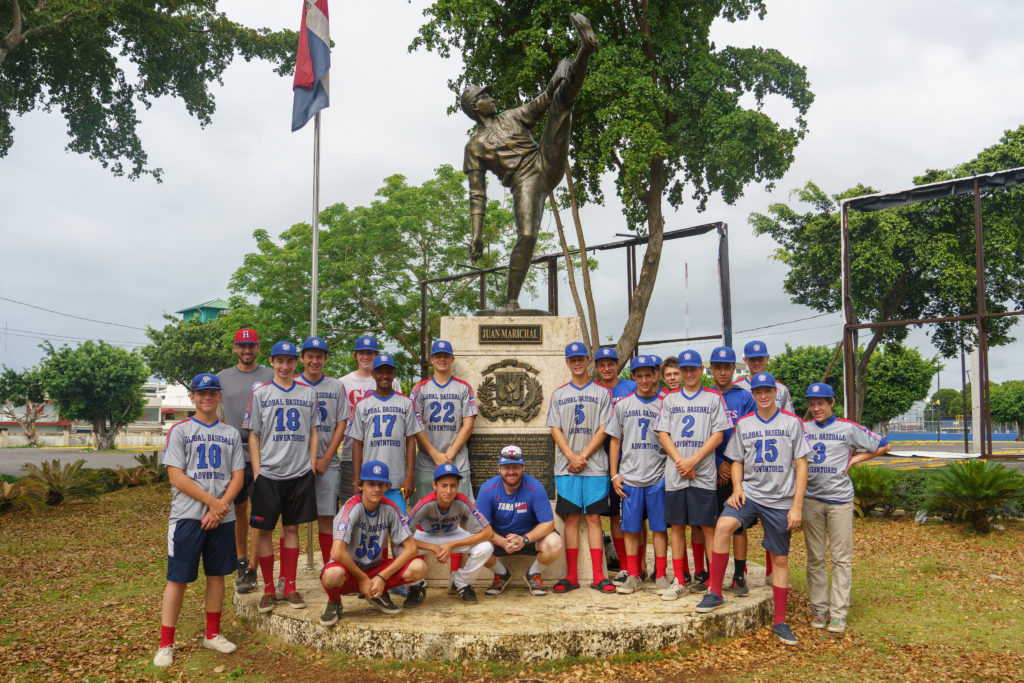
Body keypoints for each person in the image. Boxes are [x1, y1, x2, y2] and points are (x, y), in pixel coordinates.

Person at [462, 13, 597, 310]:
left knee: (562, 101)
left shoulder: (511, 116)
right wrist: (476, 234)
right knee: (526, 234)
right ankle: (511, 301)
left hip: (544, 159)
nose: (491, 97)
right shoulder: (474, 147)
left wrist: (556, 80)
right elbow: (477, 194)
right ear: (475, 107)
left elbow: (543, 101)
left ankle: (585, 50)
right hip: (524, 181)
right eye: (485, 96)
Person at [696, 372, 809, 647]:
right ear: (753, 394)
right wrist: (737, 489)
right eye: (758, 391)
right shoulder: (745, 423)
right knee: (723, 526)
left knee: (780, 560)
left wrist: (797, 506)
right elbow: (736, 461)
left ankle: (780, 621)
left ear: (775, 392)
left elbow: (802, 464)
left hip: (781, 500)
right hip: (751, 494)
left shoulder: (792, 422)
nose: (763, 395)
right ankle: (715, 591)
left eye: (767, 390)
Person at [155, 374, 245, 667]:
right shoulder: (180, 430)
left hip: (222, 517)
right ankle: (166, 643)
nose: (207, 397)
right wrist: (212, 503)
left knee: (217, 575)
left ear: (220, 397)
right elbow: (176, 475)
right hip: (188, 517)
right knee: (177, 578)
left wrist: (221, 508)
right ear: (192, 397)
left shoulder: (230, 433)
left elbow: (238, 475)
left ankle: (212, 634)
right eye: (201, 393)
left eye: (212, 392)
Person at [802, 382, 890, 633]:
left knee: (841, 558)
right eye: (811, 403)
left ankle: (838, 612)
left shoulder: (847, 428)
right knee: (815, 558)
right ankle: (820, 609)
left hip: (839, 501)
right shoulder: (803, 428)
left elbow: (884, 444)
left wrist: (855, 459)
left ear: (831, 403)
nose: (815, 408)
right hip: (811, 500)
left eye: (820, 403)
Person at [244, 341, 320, 614]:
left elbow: (313, 431)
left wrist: (311, 466)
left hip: (299, 473)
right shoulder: (261, 393)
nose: (285, 366)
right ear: (272, 362)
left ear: (296, 362)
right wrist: (257, 470)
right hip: (269, 473)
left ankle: (290, 586)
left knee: (291, 529)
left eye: (290, 361)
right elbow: (254, 434)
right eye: (280, 361)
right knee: (264, 530)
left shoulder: (308, 393)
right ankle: (267, 588)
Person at [656, 350, 730, 600]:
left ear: (701, 370)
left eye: (692, 369)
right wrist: (680, 461)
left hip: (703, 474)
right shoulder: (670, 399)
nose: (688, 374)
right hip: (676, 474)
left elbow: (718, 434)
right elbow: (663, 433)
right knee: (677, 527)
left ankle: (713, 581)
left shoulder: (713, 397)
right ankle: (678, 579)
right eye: (684, 369)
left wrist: (694, 460)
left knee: (707, 527)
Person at [318, 461, 428, 624]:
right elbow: (336, 552)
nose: (376, 489)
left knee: (419, 568)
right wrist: (363, 579)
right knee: (333, 575)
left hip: (374, 570)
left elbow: (411, 549)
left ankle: (379, 592)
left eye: (380, 484)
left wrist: (382, 577)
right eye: (371, 484)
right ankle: (334, 602)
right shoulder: (351, 508)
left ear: (386, 487)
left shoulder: (390, 508)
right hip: (349, 571)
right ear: (360, 486)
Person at [546, 342, 615, 593]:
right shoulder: (559, 394)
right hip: (566, 468)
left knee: (595, 518)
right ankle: (571, 575)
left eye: (580, 358)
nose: (576, 362)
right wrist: (570, 456)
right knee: (571, 519)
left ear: (588, 360)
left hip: (595, 466)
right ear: (567, 362)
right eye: (572, 359)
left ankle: (598, 576)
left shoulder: (602, 393)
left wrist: (582, 456)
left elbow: (605, 428)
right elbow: (555, 428)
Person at [606, 355, 669, 593]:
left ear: (655, 375)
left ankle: (661, 573)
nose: (644, 380)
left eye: (648, 375)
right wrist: (614, 474)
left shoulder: (665, 403)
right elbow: (615, 441)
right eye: (639, 375)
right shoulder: (622, 405)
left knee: (659, 528)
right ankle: (633, 574)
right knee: (630, 528)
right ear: (632, 377)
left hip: (657, 476)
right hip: (630, 477)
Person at [217, 328, 273, 594]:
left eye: (251, 346)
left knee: (259, 514)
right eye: (242, 346)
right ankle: (240, 562)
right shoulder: (222, 377)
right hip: (233, 452)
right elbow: (215, 415)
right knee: (238, 510)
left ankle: (252, 569)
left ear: (258, 348)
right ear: (235, 348)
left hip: (263, 452)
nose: (247, 350)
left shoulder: (271, 375)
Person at [734, 341, 792, 585]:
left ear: (767, 358)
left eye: (760, 357)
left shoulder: (780, 389)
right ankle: (740, 573)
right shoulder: (738, 387)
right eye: (751, 358)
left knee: (773, 523)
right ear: (745, 360)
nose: (756, 361)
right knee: (738, 523)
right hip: (742, 462)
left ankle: (771, 571)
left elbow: (790, 423)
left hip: (773, 467)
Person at [476, 445, 563, 597]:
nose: (511, 471)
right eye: (506, 467)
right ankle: (501, 574)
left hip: (529, 539)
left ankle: (534, 574)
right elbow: (481, 528)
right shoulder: (487, 489)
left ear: (523, 467)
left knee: (555, 543)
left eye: (515, 467)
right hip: (499, 540)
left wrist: (524, 539)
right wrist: (502, 542)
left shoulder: (535, 487)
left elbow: (548, 524)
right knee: (475, 544)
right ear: (499, 468)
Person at [404, 462, 494, 605]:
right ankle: (416, 586)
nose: (449, 490)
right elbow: (402, 537)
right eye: (444, 485)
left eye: (453, 485)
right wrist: (433, 547)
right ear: (434, 485)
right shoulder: (424, 503)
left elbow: (488, 532)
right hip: (427, 536)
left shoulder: (463, 501)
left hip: (453, 534)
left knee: (486, 547)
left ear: (458, 486)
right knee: (399, 548)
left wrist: (452, 545)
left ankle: (462, 582)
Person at [708, 346, 757, 595]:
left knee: (737, 525)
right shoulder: (705, 396)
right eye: (718, 367)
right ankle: (710, 574)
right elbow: (700, 436)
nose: (723, 371)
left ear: (734, 368)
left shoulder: (744, 397)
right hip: (710, 468)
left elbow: (749, 431)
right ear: (711, 369)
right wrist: (717, 463)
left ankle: (739, 575)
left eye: (727, 367)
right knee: (708, 524)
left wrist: (732, 463)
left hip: (737, 469)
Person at [297, 337, 350, 566]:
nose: (314, 361)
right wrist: (307, 461)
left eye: (319, 356)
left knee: (327, 518)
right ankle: (286, 578)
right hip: (296, 462)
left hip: (328, 461)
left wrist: (326, 458)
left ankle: (330, 567)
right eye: (310, 356)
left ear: (326, 359)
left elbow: (341, 423)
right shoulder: (293, 384)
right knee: (291, 520)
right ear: (302, 358)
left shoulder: (336, 386)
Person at [348, 353, 422, 515]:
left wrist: (410, 476)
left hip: (397, 479)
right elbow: (358, 443)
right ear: (373, 374)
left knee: (398, 529)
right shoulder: (362, 405)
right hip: (369, 478)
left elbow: (410, 441)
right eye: (380, 371)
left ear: (394, 373)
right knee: (372, 528)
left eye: (389, 371)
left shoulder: (406, 403)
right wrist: (356, 478)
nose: (384, 376)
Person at [410, 340, 478, 504]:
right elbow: (414, 425)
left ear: (452, 359)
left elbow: (468, 425)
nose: (442, 359)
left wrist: (448, 456)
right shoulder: (420, 389)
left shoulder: (463, 388)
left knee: (461, 514)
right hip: (426, 463)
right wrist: (435, 455)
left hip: (457, 462)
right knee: (422, 513)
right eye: (438, 356)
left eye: (446, 356)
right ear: (432, 359)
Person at [339, 336, 401, 497]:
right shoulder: (343, 382)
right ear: (355, 355)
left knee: (383, 504)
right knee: (351, 504)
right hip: (351, 451)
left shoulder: (391, 382)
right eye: (361, 353)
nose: (365, 357)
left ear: (377, 354)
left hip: (383, 452)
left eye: (370, 353)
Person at [594, 346, 636, 576]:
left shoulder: (631, 387)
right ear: (597, 367)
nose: (607, 368)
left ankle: (641, 565)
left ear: (618, 365)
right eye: (602, 364)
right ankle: (624, 565)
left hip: (633, 460)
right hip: (604, 462)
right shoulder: (596, 390)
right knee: (614, 515)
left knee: (638, 516)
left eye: (611, 364)